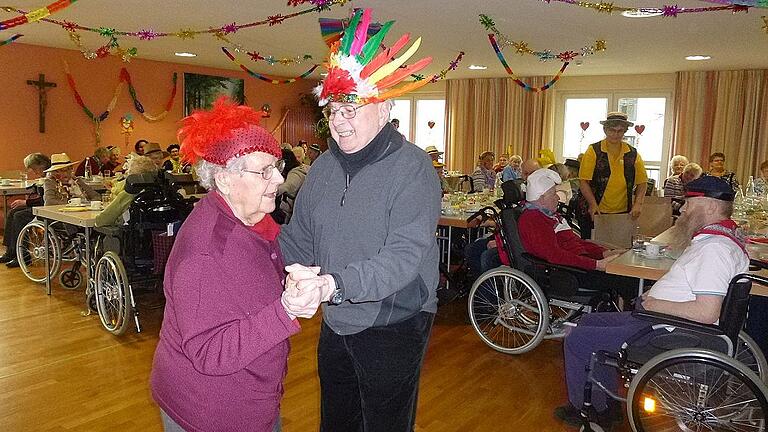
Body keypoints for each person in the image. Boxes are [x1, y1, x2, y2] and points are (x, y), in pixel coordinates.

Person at [279, 9, 441, 431]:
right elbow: (298, 240)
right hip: (338, 317)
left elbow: (403, 257)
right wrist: (250, 246)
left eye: (351, 109)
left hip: (396, 320)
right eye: (332, 111)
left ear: (384, 109)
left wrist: (334, 285)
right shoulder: (323, 169)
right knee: (337, 420)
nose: (338, 121)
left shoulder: (413, 168)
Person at [150, 98, 321, 432]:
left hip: (250, 398)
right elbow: (210, 351)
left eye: (278, 167)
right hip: (210, 410)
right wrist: (285, 310)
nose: (277, 180)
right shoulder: (205, 254)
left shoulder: (251, 222)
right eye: (264, 171)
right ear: (225, 179)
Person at [554, 176, 748, 429]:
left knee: (577, 338)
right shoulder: (722, 240)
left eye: (690, 203)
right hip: (661, 321)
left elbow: (707, 311)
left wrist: (655, 304)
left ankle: (587, 411)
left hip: (666, 329)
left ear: (711, 207)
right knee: (588, 320)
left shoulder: (714, 251)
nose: (683, 209)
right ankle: (603, 405)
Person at [518, 168, 635, 303]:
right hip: (565, 273)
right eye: (553, 194)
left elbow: (576, 242)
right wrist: (596, 264)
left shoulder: (549, 216)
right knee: (628, 280)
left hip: (577, 266)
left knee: (627, 274)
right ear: (541, 198)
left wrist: (605, 253)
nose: (557, 197)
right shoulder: (533, 219)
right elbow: (554, 256)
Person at [578, 112, 648, 239]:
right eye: (612, 130)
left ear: (625, 131)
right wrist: (592, 204)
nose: (616, 134)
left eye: (620, 131)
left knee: (618, 247)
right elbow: (583, 182)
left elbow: (642, 183)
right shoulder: (593, 150)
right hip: (596, 209)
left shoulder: (632, 153)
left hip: (622, 212)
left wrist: (638, 203)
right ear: (605, 130)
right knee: (594, 248)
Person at [0, 153, 51, 268]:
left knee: (19, 216)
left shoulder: (51, 176)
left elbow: (46, 200)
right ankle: (10, 252)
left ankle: (23, 255)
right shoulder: (45, 176)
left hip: (47, 208)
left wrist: (26, 202)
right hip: (42, 205)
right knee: (12, 212)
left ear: (41, 165)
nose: (32, 171)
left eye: (33, 168)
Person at [93, 156, 157, 227]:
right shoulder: (159, 192)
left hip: (128, 235)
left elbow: (101, 220)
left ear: (131, 177)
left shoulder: (128, 194)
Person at [274, 148, 309, 224]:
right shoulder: (303, 169)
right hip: (296, 212)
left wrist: (270, 191)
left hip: (289, 215)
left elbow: (287, 187)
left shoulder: (296, 174)